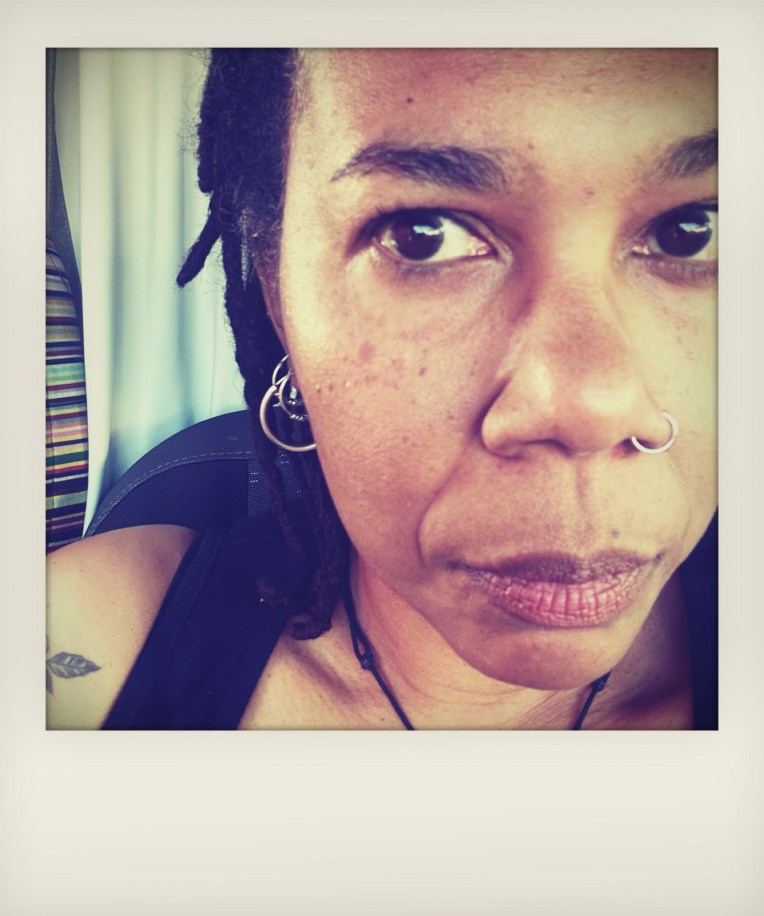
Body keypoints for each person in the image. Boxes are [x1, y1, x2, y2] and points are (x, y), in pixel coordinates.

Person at [46, 48, 718, 730]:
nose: (592, 409)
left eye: (692, 232)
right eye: (423, 236)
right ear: (278, 293)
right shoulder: (91, 644)